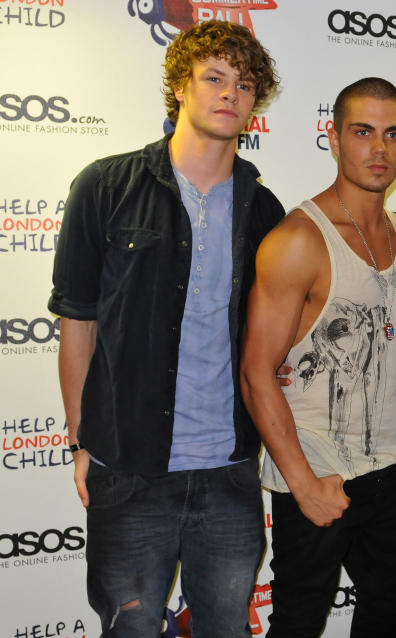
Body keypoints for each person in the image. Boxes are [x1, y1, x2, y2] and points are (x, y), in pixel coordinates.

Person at [49, 20, 283, 636]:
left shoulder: (264, 209)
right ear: (180, 86)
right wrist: (83, 440)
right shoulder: (105, 186)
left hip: (231, 469)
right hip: (128, 469)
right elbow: (78, 324)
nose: (231, 93)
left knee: (227, 628)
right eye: (214, 78)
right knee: (129, 630)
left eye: (245, 84)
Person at [240, 77, 396, 638]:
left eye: (392, 134)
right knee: (299, 623)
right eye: (362, 132)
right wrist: (304, 484)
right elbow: (257, 372)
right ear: (333, 138)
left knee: (387, 609)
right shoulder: (299, 241)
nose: (378, 149)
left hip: (388, 467)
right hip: (316, 467)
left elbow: (385, 345)